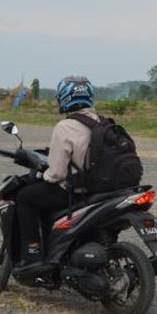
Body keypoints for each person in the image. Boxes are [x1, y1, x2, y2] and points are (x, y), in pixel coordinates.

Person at [13, 76, 99, 270]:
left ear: (64, 97)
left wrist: (45, 176)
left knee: (26, 197)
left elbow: (58, 173)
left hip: (76, 192)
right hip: (99, 189)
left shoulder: (65, 127)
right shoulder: (102, 122)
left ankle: (33, 253)